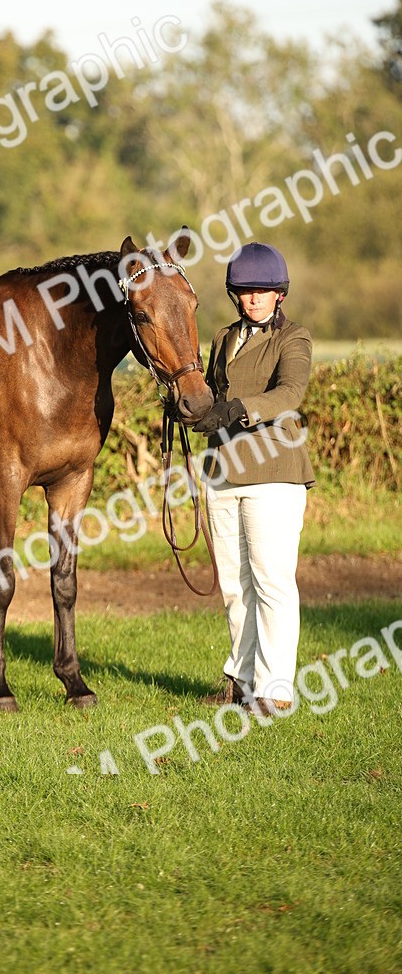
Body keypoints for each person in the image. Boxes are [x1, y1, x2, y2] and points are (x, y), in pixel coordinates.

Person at [192, 242, 315, 716]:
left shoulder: (294, 338)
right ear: (234, 294)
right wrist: (188, 406)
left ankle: (276, 689)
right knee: (233, 584)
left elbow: (290, 393)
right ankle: (242, 680)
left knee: (271, 581)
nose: (254, 298)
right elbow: (209, 392)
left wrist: (239, 410)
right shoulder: (224, 337)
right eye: (245, 291)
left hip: (274, 474)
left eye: (263, 290)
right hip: (223, 474)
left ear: (279, 294)